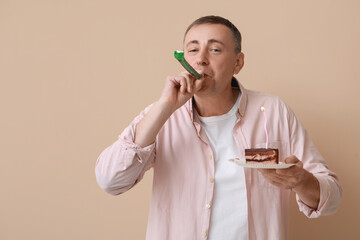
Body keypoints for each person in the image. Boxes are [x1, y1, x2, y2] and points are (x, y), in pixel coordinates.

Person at [95, 15, 342, 240]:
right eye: (192, 49)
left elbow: (332, 199)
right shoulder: (162, 115)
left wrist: (301, 181)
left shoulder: (274, 111)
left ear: (238, 62)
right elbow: (110, 181)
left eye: (214, 49)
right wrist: (164, 108)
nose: (201, 58)